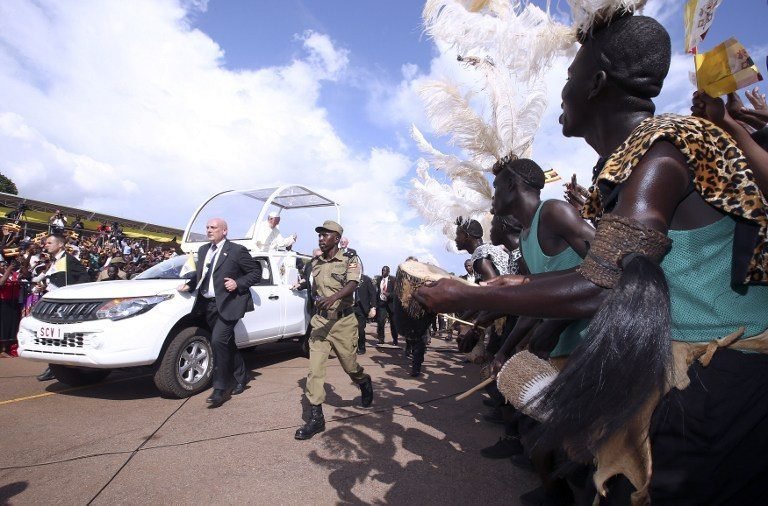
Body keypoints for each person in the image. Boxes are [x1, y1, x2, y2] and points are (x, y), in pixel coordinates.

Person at [416, 14, 768, 503]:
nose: (563, 91)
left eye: (569, 77)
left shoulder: (661, 152)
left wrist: (465, 295)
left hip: (716, 382)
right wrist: (519, 286)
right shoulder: (633, 159)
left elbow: (603, 285)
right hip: (692, 383)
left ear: (597, 83)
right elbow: (609, 268)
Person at [293, 220, 373, 440]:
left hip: (343, 323)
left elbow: (353, 284)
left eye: (325, 235)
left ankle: (363, 381)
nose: (321, 238)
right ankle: (316, 418)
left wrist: (333, 298)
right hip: (320, 322)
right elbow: (313, 287)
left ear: (336, 238)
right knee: (315, 370)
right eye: (319, 235)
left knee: (350, 366)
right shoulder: (315, 262)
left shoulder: (349, 259)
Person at [178, 218, 262, 408]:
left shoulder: (237, 250)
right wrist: (189, 285)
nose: (209, 230)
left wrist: (238, 283)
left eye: (213, 227)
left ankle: (220, 388)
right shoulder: (203, 250)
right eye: (207, 227)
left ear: (224, 231)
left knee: (217, 341)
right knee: (226, 342)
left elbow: (255, 273)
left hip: (230, 304)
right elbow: (202, 275)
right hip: (208, 305)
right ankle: (242, 376)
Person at [36, 233, 90, 381]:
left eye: (49, 243)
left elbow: (85, 278)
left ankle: (56, 367)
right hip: (52, 303)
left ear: (60, 244)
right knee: (51, 335)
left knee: (59, 335)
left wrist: (72, 294)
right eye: (46, 243)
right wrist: (44, 287)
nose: (46, 245)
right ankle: (55, 366)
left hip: (64, 306)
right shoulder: (55, 261)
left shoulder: (69, 260)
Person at [0, 260, 22, 356]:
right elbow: (1, 283)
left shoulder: (14, 274)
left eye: (6, 265)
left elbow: (25, 274)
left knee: (13, 325)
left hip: (14, 302)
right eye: (2, 265)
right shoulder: (5, 274)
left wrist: (22, 263)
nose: (5, 266)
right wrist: (9, 269)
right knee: (4, 325)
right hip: (3, 303)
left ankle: (10, 347)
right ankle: (3, 348)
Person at [374, 266, 398, 346]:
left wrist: (389, 294)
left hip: (391, 304)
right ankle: (381, 339)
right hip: (382, 303)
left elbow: (396, 293)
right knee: (380, 321)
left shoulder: (393, 280)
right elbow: (377, 291)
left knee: (393, 323)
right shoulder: (379, 279)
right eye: (382, 270)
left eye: (385, 271)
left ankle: (395, 339)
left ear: (388, 272)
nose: (383, 272)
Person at [354, 273, 376, 355]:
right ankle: (353, 347)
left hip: (362, 308)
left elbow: (373, 293)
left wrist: (373, 307)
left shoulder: (366, 279)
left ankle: (362, 346)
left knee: (360, 329)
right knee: (350, 329)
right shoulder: (349, 278)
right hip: (351, 307)